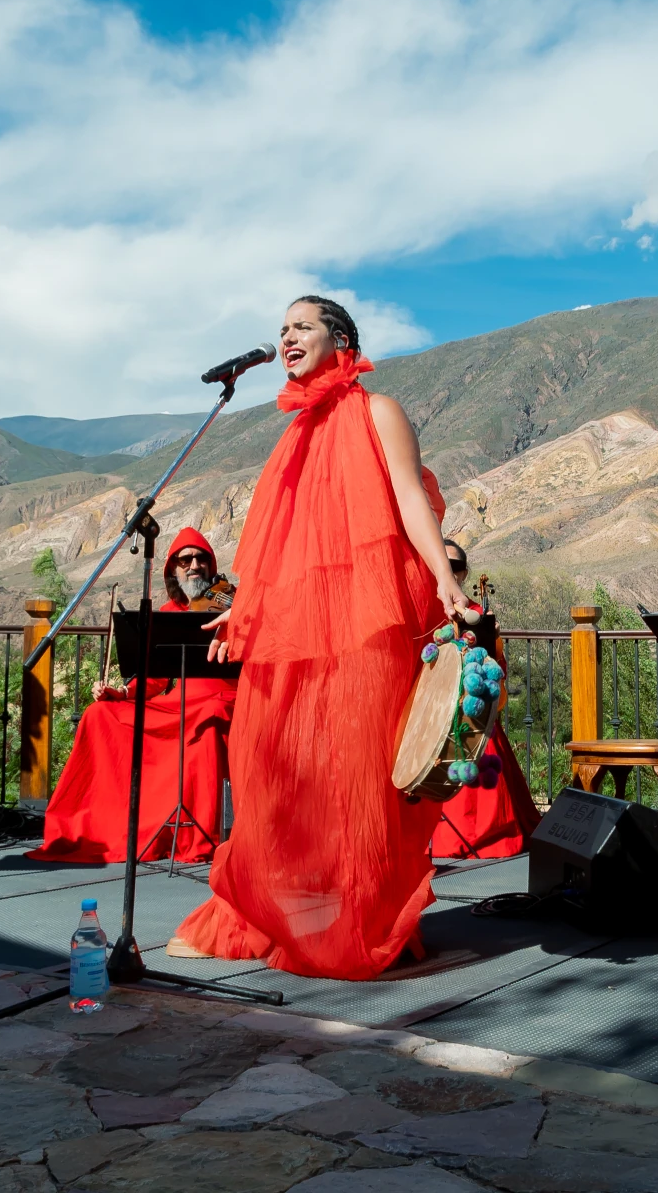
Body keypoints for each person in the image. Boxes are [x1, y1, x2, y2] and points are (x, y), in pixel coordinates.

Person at [167, 295, 470, 980]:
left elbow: (409, 497)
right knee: (279, 777)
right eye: (281, 330)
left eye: (302, 327)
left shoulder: (378, 411)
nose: (287, 338)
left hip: (370, 625)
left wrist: (443, 581)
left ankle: (364, 919)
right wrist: (246, 611)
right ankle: (270, 914)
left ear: (342, 339)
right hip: (300, 631)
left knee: (362, 776)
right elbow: (282, 551)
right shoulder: (295, 433)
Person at [27, 528, 238, 865]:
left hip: (223, 699)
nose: (194, 565)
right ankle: (105, 823)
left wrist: (241, 612)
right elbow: (154, 679)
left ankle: (200, 832)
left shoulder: (230, 604)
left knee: (209, 719)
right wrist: (122, 691)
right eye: (186, 560)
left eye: (201, 559)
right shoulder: (167, 613)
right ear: (173, 569)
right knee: (100, 715)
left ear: (211, 565)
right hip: (178, 705)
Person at [430, 539, 542, 860]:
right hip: (432, 704)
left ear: (463, 574)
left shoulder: (477, 614)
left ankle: (488, 832)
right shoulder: (419, 605)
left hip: (469, 703)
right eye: (441, 565)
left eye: (453, 568)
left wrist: (490, 642)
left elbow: (497, 667)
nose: (445, 572)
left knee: (483, 738)